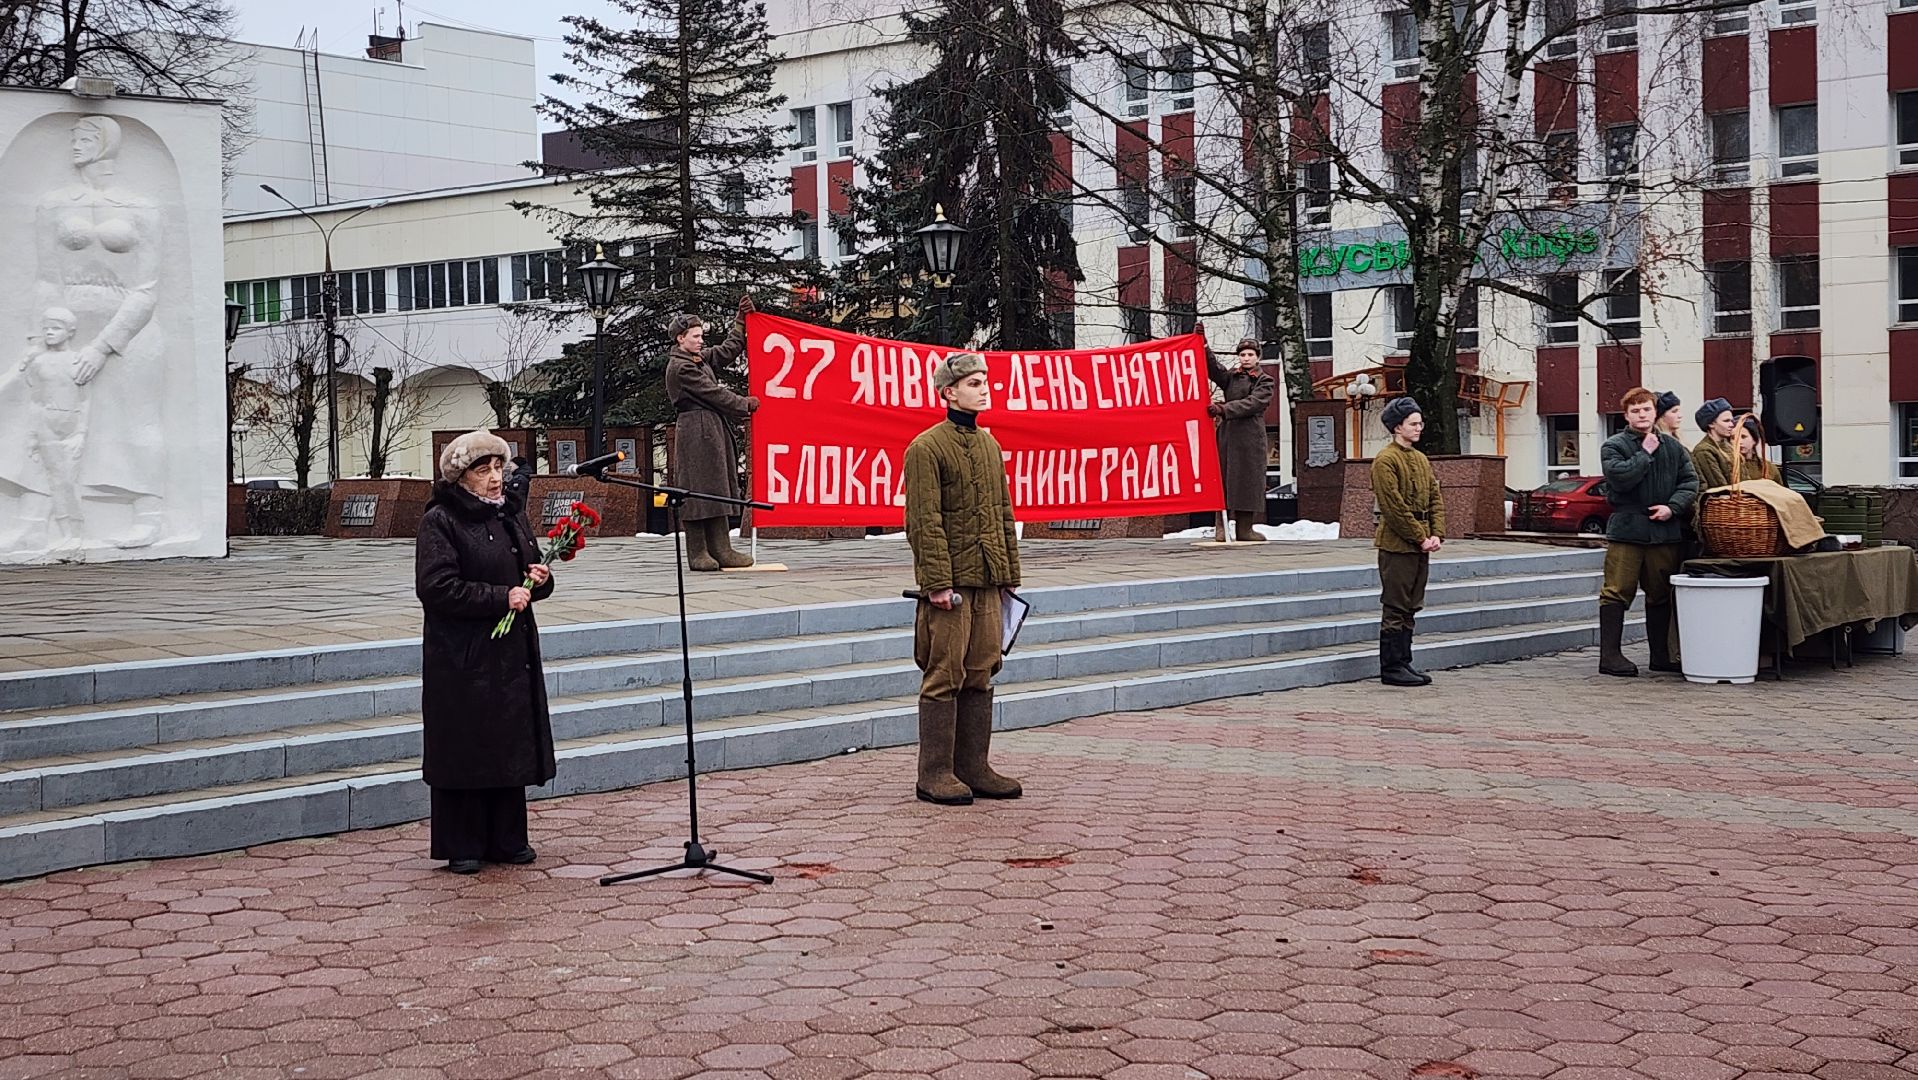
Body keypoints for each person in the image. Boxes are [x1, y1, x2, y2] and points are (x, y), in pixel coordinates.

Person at [415, 431, 556, 874]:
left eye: (499, 468)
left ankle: (507, 838)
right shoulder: (441, 520)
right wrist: (500, 597)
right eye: (484, 470)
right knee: (468, 744)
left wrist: (539, 579)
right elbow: (436, 587)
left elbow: (530, 578)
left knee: (507, 741)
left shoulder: (509, 515)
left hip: (510, 655)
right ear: (461, 476)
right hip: (463, 657)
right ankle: (464, 843)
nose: (496, 479)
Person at [904, 352, 1023, 806]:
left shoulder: (990, 446)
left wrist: (1009, 575)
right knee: (944, 673)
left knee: (982, 670)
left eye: (985, 381)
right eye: (974, 383)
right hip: (949, 583)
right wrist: (936, 582)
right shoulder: (926, 447)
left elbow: (1003, 513)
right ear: (949, 392)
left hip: (987, 579)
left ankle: (974, 767)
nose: (984, 388)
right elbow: (924, 520)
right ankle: (934, 772)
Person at [1598, 387, 1699, 678]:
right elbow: (1620, 478)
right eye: (1635, 411)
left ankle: (1661, 655)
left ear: (1655, 412)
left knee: (1661, 593)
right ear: (1626, 415)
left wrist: (1672, 508)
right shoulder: (1614, 445)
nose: (1642, 415)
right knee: (1616, 591)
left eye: (1646, 409)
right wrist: (1645, 452)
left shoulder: (1674, 447)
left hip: (1664, 532)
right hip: (1627, 531)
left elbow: (1690, 482)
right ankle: (1610, 656)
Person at [665, 295, 759, 570]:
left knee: (715, 487)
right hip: (695, 430)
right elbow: (714, 393)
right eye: (695, 336)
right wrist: (745, 404)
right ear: (680, 338)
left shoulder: (697, 358)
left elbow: (726, 350)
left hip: (710, 427)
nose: (701, 340)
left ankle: (721, 549)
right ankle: (698, 553)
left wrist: (741, 321)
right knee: (696, 490)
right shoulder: (681, 367)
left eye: (701, 335)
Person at [1371, 396, 1444, 688]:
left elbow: (1435, 497)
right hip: (1397, 544)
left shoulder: (1420, 458)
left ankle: (1405, 660)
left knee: (1412, 604)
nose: (1419, 428)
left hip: (1421, 541)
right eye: (1413, 423)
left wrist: (1437, 532)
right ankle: (1391, 666)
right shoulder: (1385, 460)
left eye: (1420, 423)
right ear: (1397, 427)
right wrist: (1419, 536)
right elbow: (1394, 507)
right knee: (1396, 604)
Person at [1205, 337, 1274, 542]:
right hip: (1228, 434)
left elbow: (1253, 403)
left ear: (1258, 357)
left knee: (1248, 482)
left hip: (1250, 437)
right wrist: (1204, 346)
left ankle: (1245, 529)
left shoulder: (1265, 380)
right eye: (1242, 355)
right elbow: (1214, 369)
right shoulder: (1231, 377)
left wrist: (1223, 409)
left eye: (1250, 355)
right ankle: (1221, 526)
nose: (1246, 358)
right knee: (1222, 480)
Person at [1690, 397, 1739, 492]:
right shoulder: (1704, 451)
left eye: (1731, 421)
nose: (1731, 425)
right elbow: (1719, 487)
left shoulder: (1729, 446)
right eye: (1726, 421)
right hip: (1726, 503)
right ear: (1711, 424)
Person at [1736, 415, 1783, 484]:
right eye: (1734, 438)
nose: (1739, 442)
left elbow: (1780, 492)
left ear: (1754, 440)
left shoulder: (1769, 468)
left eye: (1743, 437)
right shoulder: (1728, 465)